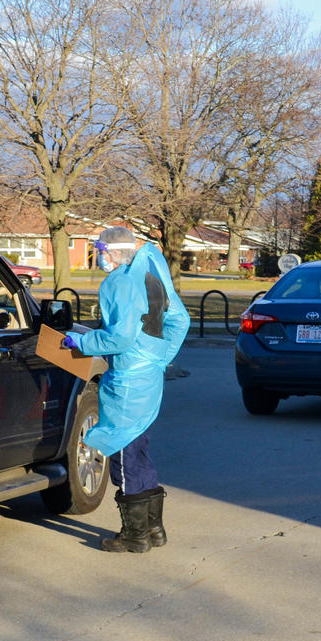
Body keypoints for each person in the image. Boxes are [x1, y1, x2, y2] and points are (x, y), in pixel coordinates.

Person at [62, 226, 190, 553]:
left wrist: (82, 341)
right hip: (148, 378)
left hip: (127, 383)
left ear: (114, 252)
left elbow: (119, 337)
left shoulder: (119, 283)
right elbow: (181, 321)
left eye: (101, 250)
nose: (99, 256)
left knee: (123, 457)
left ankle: (135, 537)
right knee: (141, 451)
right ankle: (155, 529)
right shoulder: (151, 275)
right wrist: (158, 357)